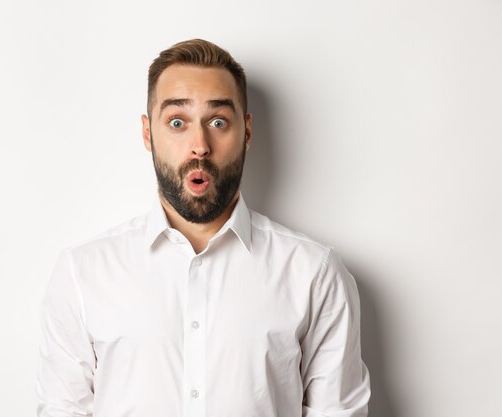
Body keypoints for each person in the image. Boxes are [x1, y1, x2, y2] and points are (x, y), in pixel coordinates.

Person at [36, 39, 370, 417]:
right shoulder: (83, 273)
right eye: (177, 122)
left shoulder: (314, 273)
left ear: (246, 131)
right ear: (148, 133)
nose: (199, 146)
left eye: (217, 122)